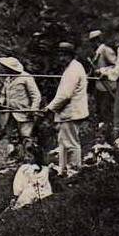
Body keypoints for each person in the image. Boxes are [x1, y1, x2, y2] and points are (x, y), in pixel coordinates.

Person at [45, 41, 89, 176]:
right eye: (60, 55)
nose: (61, 58)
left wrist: (49, 108)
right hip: (68, 112)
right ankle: (63, 170)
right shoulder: (71, 67)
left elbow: (65, 95)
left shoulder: (73, 69)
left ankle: (74, 171)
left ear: (70, 55)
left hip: (71, 112)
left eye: (64, 55)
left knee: (70, 143)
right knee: (63, 143)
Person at [0, 56, 42, 160]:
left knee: (26, 136)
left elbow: (36, 95)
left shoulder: (26, 77)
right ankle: (14, 159)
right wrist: (1, 101)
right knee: (10, 136)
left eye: (4, 68)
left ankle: (30, 159)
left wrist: (33, 109)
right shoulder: (8, 79)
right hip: (10, 113)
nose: (3, 70)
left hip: (24, 113)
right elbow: (3, 94)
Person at [86, 29, 116, 132]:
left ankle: (108, 131)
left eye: (94, 41)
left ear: (98, 40)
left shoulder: (106, 50)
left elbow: (115, 66)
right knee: (100, 112)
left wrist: (102, 71)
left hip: (108, 86)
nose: (92, 44)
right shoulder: (96, 53)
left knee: (105, 111)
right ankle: (101, 133)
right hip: (99, 87)